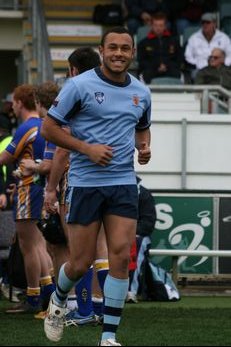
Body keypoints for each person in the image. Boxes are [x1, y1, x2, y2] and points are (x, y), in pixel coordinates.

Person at [41, 26, 151, 346]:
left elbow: (142, 129)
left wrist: (144, 148)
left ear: (132, 53)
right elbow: (49, 128)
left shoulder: (142, 92)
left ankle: (108, 337)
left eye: (125, 48)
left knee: (118, 257)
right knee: (80, 262)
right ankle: (59, 300)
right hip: (85, 183)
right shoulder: (79, 85)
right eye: (112, 47)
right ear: (102, 51)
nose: (119, 53)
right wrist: (86, 149)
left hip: (123, 183)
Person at [0, 84, 55, 314]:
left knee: (29, 246)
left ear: (21, 103)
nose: (12, 106)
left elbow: (5, 157)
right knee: (40, 244)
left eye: (14, 101)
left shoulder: (27, 127)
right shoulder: (45, 125)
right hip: (41, 188)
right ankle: (46, 294)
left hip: (29, 189)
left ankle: (35, 296)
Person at [126, 176, 156, 303]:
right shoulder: (113, 192)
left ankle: (131, 291)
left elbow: (148, 224)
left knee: (137, 243)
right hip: (115, 234)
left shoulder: (143, 194)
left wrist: (128, 232)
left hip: (137, 236)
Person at [137, 12, 183, 84]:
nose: (158, 28)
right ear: (151, 26)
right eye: (156, 25)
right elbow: (141, 61)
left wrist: (166, 66)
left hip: (170, 69)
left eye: (161, 25)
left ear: (165, 26)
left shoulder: (174, 41)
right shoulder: (144, 43)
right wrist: (157, 66)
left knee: (178, 74)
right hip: (151, 70)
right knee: (145, 74)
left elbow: (179, 59)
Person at [184, 12, 231, 81]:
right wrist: (197, 64)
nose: (205, 25)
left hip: (220, 69)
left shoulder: (224, 38)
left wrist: (222, 64)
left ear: (214, 24)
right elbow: (188, 56)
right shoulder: (193, 38)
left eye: (208, 22)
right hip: (200, 69)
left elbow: (230, 55)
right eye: (203, 23)